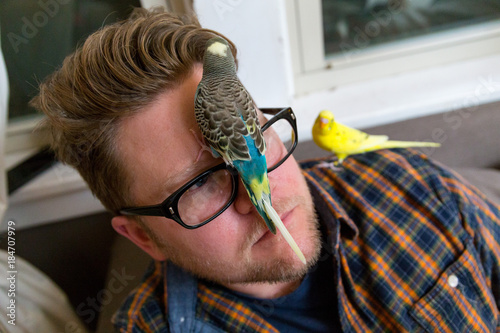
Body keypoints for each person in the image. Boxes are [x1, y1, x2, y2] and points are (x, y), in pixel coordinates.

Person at [31, 7, 500, 333]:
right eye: (199, 185)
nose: (257, 195)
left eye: (256, 135)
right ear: (143, 238)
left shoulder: (412, 185)